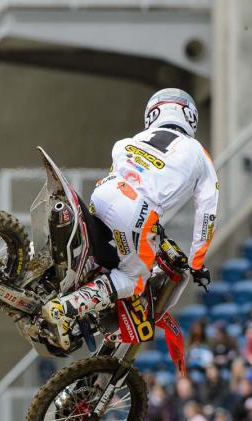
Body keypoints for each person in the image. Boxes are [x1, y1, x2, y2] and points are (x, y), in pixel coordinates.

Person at [42, 88, 216, 347]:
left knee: (103, 257)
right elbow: (207, 212)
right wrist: (197, 262)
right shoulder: (199, 154)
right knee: (134, 279)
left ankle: (70, 285)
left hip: (104, 193)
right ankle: (66, 307)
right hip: (138, 211)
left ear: (153, 114)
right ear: (190, 118)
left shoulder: (135, 139)